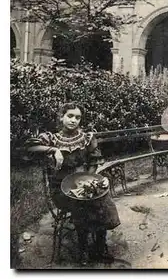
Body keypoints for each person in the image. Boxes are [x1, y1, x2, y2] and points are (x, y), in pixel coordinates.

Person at [25, 102, 120, 265]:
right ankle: (82, 249)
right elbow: (29, 147)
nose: (73, 120)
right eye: (70, 116)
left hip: (83, 182)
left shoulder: (87, 138)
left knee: (102, 198)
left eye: (77, 117)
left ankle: (99, 248)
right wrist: (53, 150)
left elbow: (94, 161)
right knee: (80, 205)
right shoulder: (52, 138)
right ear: (62, 117)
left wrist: (90, 182)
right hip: (61, 188)